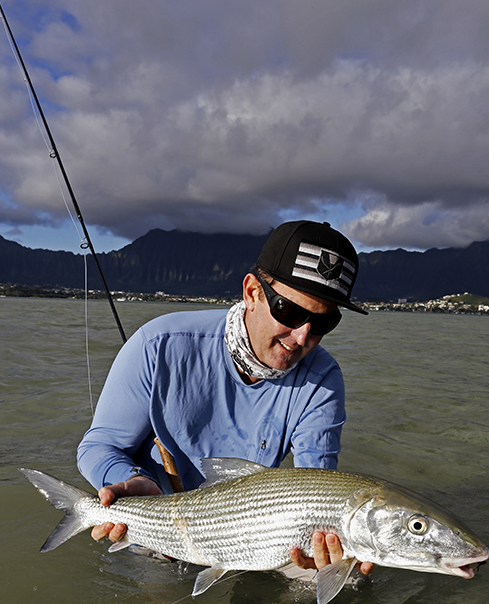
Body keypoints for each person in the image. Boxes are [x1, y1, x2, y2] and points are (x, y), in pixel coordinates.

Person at [77, 219, 372, 575]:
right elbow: (98, 447)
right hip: (155, 526)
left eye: (323, 322)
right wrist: (132, 480)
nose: (301, 337)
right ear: (252, 293)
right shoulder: (157, 346)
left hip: (256, 529)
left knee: (337, 580)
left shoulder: (323, 380)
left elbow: (314, 487)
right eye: (289, 312)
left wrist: (327, 556)